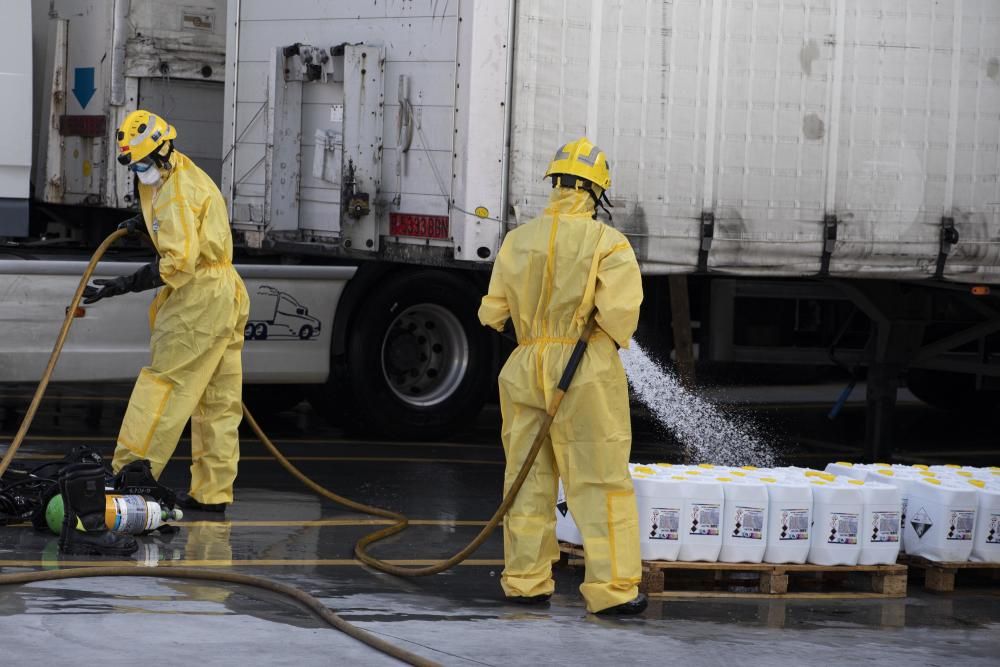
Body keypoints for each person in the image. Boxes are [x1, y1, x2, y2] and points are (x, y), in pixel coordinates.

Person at [478, 137, 646, 614]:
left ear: (554, 183)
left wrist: (538, 331)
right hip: (585, 371)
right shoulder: (608, 243)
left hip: (526, 367)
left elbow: (493, 313)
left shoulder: (517, 240)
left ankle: (526, 583)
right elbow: (619, 318)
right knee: (598, 482)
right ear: (598, 192)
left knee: (527, 478)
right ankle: (612, 593)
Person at [83, 110, 250, 514]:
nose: (140, 171)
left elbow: (178, 261)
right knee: (218, 401)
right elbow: (186, 218)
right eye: (135, 165)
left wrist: (123, 284)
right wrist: (145, 221)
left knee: (163, 386)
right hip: (225, 292)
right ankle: (212, 493)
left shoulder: (173, 191)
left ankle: (129, 474)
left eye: (143, 163)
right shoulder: (184, 172)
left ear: (162, 150)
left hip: (198, 301)